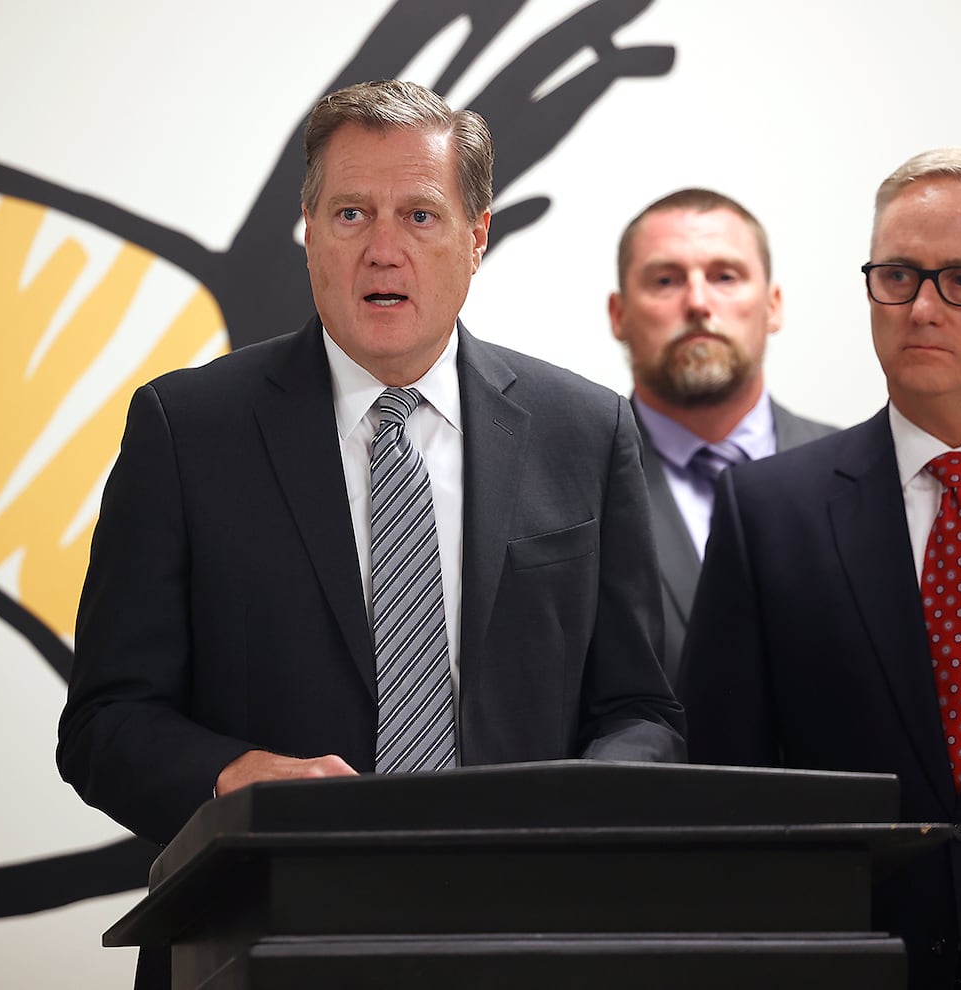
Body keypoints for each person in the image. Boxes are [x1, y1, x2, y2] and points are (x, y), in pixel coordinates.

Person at [59, 78, 682, 841]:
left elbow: (642, 710)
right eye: (352, 214)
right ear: (311, 231)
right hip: (269, 919)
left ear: (477, 236)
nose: (383, 252)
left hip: (526, 921)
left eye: (420, 216)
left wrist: (580, 802)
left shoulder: (585, 431)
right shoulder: (186, 432)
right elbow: (104, 722)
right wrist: (231, 776)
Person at [680, 149, 961, 987]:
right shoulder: (769, 514)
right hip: (852, 965)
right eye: (896, 275)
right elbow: (726, 799)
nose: (921, 307)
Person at [608, 188, 834, 682]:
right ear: (618, 314)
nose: (697, 302)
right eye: (665, 280)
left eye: (725, 277)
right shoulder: (570, 485)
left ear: (773, 305)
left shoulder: (862, 476)